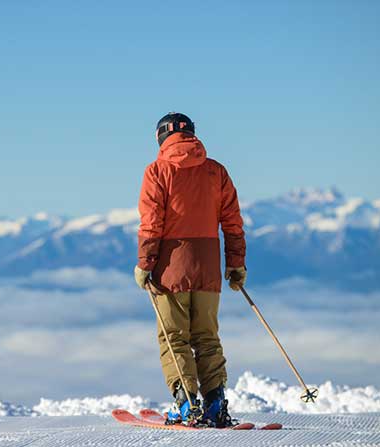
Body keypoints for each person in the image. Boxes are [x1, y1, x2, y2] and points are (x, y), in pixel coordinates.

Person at [134, 112, 247, 427]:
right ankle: (215, 403)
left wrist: (145, 264)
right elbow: (233, 222)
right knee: (207, 337)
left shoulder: (157, 172)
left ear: (160, 137)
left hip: (170, 268)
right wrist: (236, 263)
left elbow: (151, 223)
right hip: (209, 266)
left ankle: (187, 405)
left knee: (174, 337)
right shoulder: (216, 172)